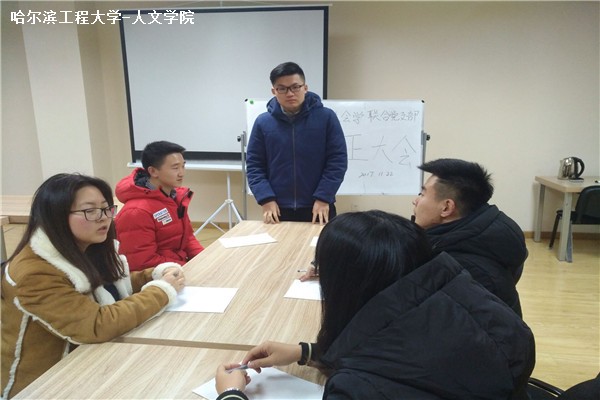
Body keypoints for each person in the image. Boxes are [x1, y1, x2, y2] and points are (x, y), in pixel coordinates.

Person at [214, 211, 536, 400]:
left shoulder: (356, 389)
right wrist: (307, 352)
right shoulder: (477, 305)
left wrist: (230, 394)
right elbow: (407, 356)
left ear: (345, 285)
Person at [0, 173, 185, 399]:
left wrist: (152, 276)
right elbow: (96, 325)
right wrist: (161, 291)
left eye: (106, 209)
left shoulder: (83, 246)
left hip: (90, 363)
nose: (103, 218)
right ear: (56, 216)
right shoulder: (35, 273)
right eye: (90, 211)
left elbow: (111, 286)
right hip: (44, 385)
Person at [413, 158, 528, 317]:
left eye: (422, 194)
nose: (415, 201)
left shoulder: (463, 268)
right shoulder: (491, 231)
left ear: (446, 207)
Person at [246, 61, 348, 225]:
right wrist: (265, 198)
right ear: (274, 91)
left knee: (322, 242)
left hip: (318, 206)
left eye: (295, 87)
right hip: (277, 207)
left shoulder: (326, 118)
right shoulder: (263, 122)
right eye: (282, 89)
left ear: (305, 88)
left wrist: (324, 197)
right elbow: (254, 165)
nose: (290, 93)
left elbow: (337, 161)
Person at [115, 140, 204, 271]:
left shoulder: (174, 198)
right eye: (175, 168)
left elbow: (188, 238)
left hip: (177, 268)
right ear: (153, 171)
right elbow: (142, 262)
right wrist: (187, 268)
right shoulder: (136, 212)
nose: (181, 173)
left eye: (183, 166)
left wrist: (204, 259)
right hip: (159, 276)